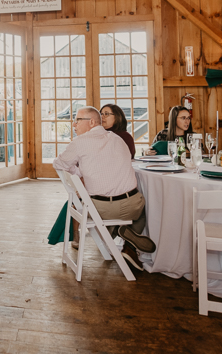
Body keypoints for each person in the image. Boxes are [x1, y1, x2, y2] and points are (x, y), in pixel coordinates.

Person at [53, 106, 156, 272]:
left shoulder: (80, 142)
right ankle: (126, 237)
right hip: (132, 207)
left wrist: (78, 175)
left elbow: (58, 164)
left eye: (77, 120)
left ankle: (117, 231)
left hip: (100, 210)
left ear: (92, 122)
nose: (74, 125)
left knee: (103, 213)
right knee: (142, 206)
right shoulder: (118, 139)